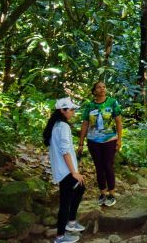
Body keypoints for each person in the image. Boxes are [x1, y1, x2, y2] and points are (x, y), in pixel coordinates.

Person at [43, 97, 86, 243]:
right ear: (62, 110)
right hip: (66, 171)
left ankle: (71, 222)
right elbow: (65, 151)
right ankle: (60, 236)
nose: (73, 112)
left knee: (80, 187)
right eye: (71, 109)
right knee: (65, 203)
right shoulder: (63, 127)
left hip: (62, 170)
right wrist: (74, 172)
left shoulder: (55, 125)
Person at [77, 81, 122, 207]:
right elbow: (85, 123)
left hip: (109, 139)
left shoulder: (112, 102)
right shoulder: (90, 105)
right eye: (99, 87)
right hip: (93, 140)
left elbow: (118, 122)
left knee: (108, 165)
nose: (102, 89)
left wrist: (119, 139)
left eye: (104, 87)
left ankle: (112, 193)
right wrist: (81, 142)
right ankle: (103, 193)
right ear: (94, 90)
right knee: (99, 167)